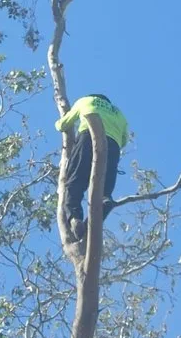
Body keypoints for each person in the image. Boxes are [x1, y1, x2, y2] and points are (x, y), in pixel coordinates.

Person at [55, 94, 130, 240]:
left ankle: (74, 217)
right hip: (113, 146)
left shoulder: (85, 101)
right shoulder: (118, 113)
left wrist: (58, 123)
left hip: (88, 137)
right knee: (105, 189)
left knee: (75, 180)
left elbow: (63, 125)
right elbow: (124, 139)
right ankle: (99, 212)